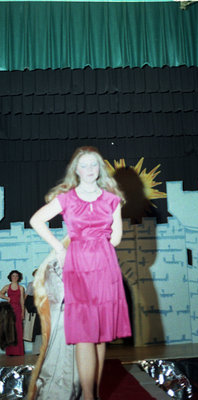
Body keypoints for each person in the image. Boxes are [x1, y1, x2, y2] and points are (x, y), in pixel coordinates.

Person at [30, 146, 131, 400]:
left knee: (100, 335)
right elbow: (36, 220)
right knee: (86, 333)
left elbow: (117, 238)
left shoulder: (113, 198)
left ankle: (94, 395)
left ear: (100, 168)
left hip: (105, 267)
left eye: (93, 165)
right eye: (84, 165)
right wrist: (59, 248)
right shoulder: (67, 198)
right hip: (79, 265)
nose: (89, 170)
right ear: (76, 169)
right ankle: (89, 397)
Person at [0, 270, 25, 356]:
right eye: (13, 276)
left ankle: (19, 351)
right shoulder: (7, 287)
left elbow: (22, 301)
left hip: (18, 310)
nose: (15, 277)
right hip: (9, 311)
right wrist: (7, 298)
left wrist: (23, 312)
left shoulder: (21, 288)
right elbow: (0, 293)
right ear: (10, 277)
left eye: (16, 276)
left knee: (18, 330)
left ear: (19, 278)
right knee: (9, 330)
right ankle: (10, 352)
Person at [24, 269, 42, 354]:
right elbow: (27, 297)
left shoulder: (45, 282)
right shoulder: (31, 284)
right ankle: (36, 350)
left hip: (44, 308)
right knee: (36, 330)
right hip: (35, 309)